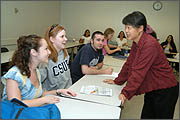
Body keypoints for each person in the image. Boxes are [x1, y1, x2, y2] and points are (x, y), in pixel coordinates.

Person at [103, 11, 179, 119]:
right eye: (126, 27)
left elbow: (139, 71)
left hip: (165, 89)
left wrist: (126, 93)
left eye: (129, 27)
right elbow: (129, 64)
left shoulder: (150, 44)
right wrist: (118, 80)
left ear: (140, 28)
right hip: (153, 86)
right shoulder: (136, 42)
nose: (126, 31)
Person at [1, 35, 76, 107]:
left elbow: (37, 95)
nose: (49, 52)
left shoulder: (36, 71)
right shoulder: (14, 75)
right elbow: (15, 104)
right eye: (46, 49)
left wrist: (58, 91)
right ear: (33, 52)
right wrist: (43, 100)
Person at [38, 24, 73, 91]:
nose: (66, 39)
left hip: (67, 91)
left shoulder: (64, 52)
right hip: (53, 95)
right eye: (62, 36)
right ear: (52, 39)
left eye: (65, 36)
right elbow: (38, 83)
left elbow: (67, 76)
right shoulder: (45, 58)